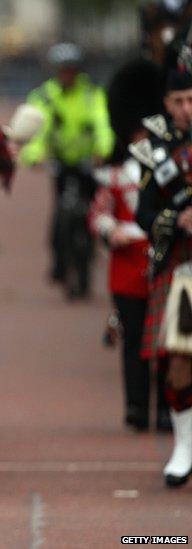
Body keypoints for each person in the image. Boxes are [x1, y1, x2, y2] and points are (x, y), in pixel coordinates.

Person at [91, 57, 169, 432]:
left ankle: (169, 408)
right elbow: (99, 213)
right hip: (127, 265)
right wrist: (110, 231)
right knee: (134, 339)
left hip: (165, 260)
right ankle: (137, 405)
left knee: (168, 342)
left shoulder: (172, 168)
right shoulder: (118, 174)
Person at [134, 58, 192, 488]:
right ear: (166, 105)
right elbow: (144, 213)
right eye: (178, 101)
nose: (186, 108)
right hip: (182, 269)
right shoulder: (156, 151)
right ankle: (184, 448)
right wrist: (176, 219)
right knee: (178, 364)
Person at [21, 42, 114, 298]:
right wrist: (34, 154)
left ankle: (90, 254)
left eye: (71, 70)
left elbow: (102, 124)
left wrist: (103, 151)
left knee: (91, 211)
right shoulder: (46, 96)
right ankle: (59, 261)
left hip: (88, 161)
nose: (67, 75)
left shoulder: (91, 94)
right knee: (60, 211)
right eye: (62, 70)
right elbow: (38, 128)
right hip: (60, 161)